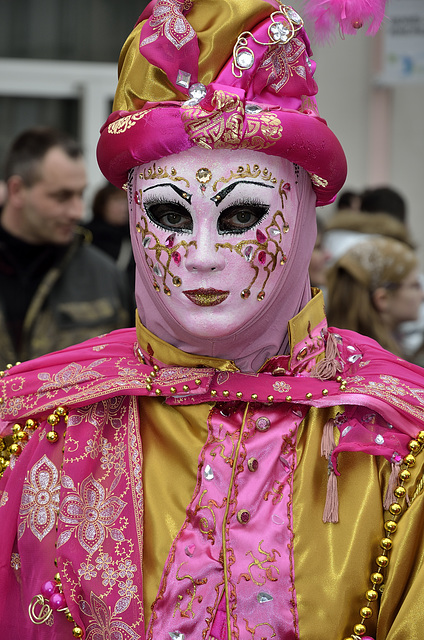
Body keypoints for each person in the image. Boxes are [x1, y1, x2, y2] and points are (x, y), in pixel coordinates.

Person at [1, 2, 424, 640]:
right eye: (170, 215)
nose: (201, 256)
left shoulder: (397, 443)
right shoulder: (36, 426)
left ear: (304, 218)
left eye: (239, 216)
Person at [0, 127, 134, 368]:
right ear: (17, 191)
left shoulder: (105, 277)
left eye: (80, 195)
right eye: (62, 197)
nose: (76, 211)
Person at [326, 237, 424, 358]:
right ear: (382, 299)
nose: (422, 295)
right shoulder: (379, 360)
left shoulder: (337, 351)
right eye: (415, 285)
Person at [85, 182, 136, 295]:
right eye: (117, 201)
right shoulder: (85, 236)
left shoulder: (134, 239)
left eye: (126, 201)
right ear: (102, 205)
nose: (124, 208)